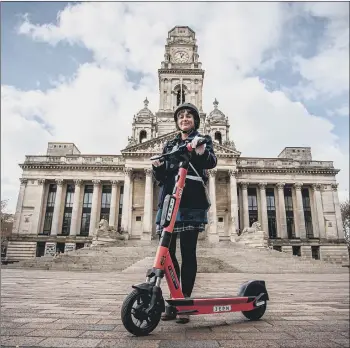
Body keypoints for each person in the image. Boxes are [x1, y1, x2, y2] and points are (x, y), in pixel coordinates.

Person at [152, 102, 217, 324]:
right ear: (177, 121)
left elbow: (211, 161)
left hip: (190, 202)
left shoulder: (204, 139)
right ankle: (175, 298)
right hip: (170, 201)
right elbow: (161, 178)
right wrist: (158, 166)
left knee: (188, 252)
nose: (185, 118)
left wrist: (200, 151)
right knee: (168, 254)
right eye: (181, 116)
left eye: (189, 116)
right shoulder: (169, 144)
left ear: (195, 120)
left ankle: (185, 301)